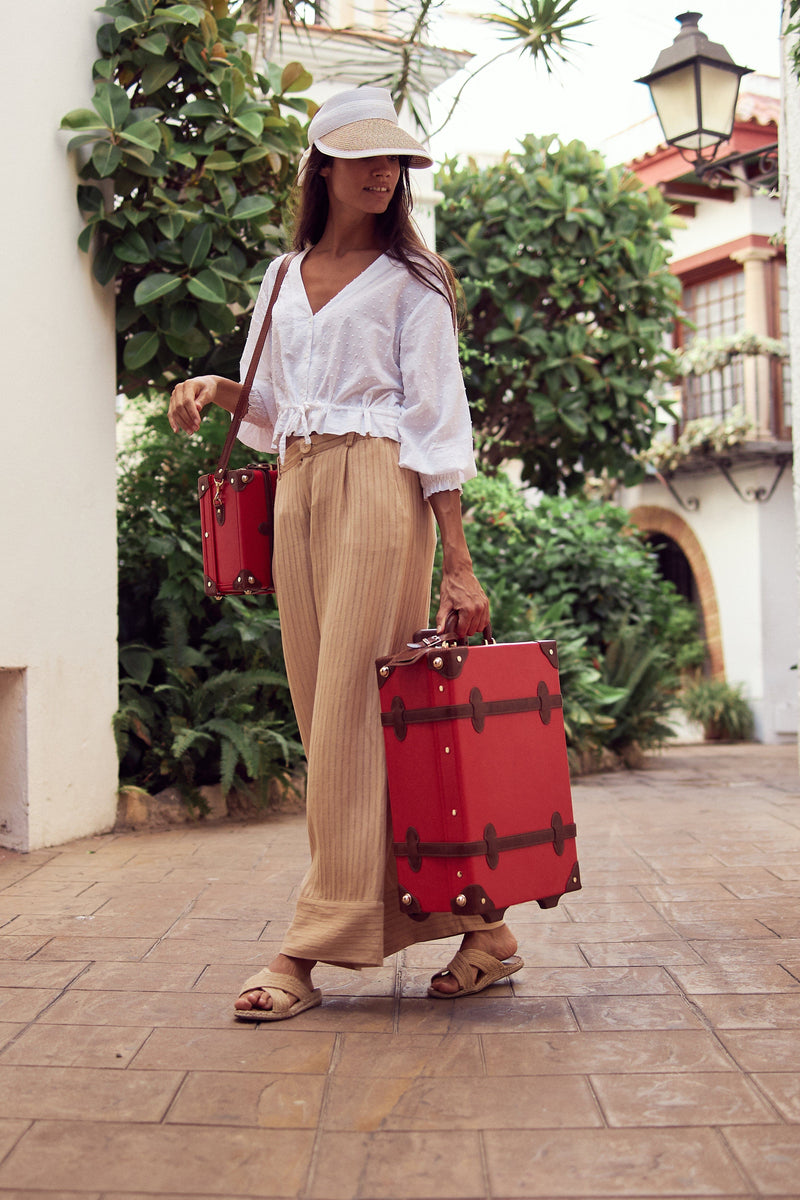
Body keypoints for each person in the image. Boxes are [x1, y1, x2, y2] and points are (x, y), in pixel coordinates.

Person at [168, 87, 521, 1020]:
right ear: (319, 163)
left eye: (394, 160)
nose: (381, 173)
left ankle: (304, 950)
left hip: (379, 488)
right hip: (298, 488)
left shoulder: (415, 284)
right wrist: (218, 385)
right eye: (362, 156)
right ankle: (483, 927)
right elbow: (276, 405)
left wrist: (457, 560)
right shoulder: (282, 277)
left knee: (351, 719)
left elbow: (436, 424)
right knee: (333, 712)